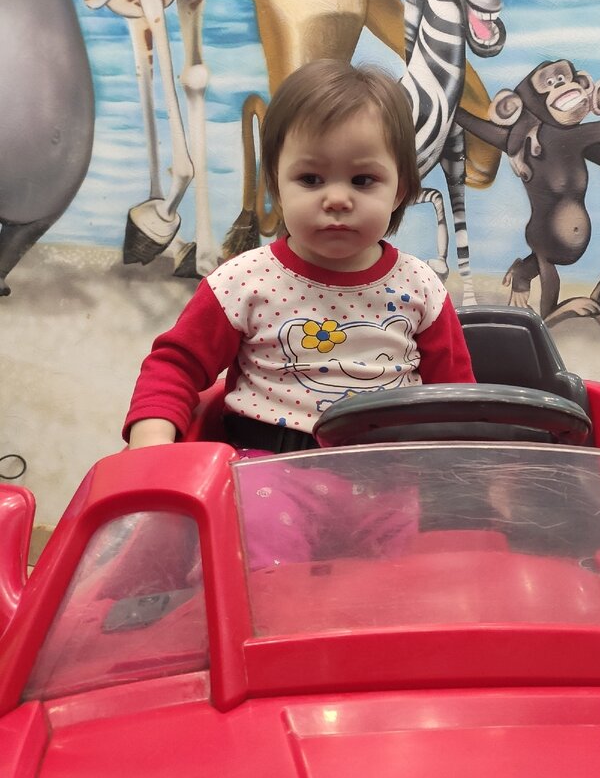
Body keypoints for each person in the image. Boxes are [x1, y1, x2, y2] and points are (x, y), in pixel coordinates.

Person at [123, 59, 476, 564]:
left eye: (363, 180)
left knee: (392, 587)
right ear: (276, 184)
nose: (337, 199)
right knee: (267, 574)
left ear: (399, 189)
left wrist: (460, 481)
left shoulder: (419, 285)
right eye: (310, 178)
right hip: (269, 472)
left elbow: (455, 396)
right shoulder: (244, 281)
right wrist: (153, 444)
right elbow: (175, 365)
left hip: (387, 481)